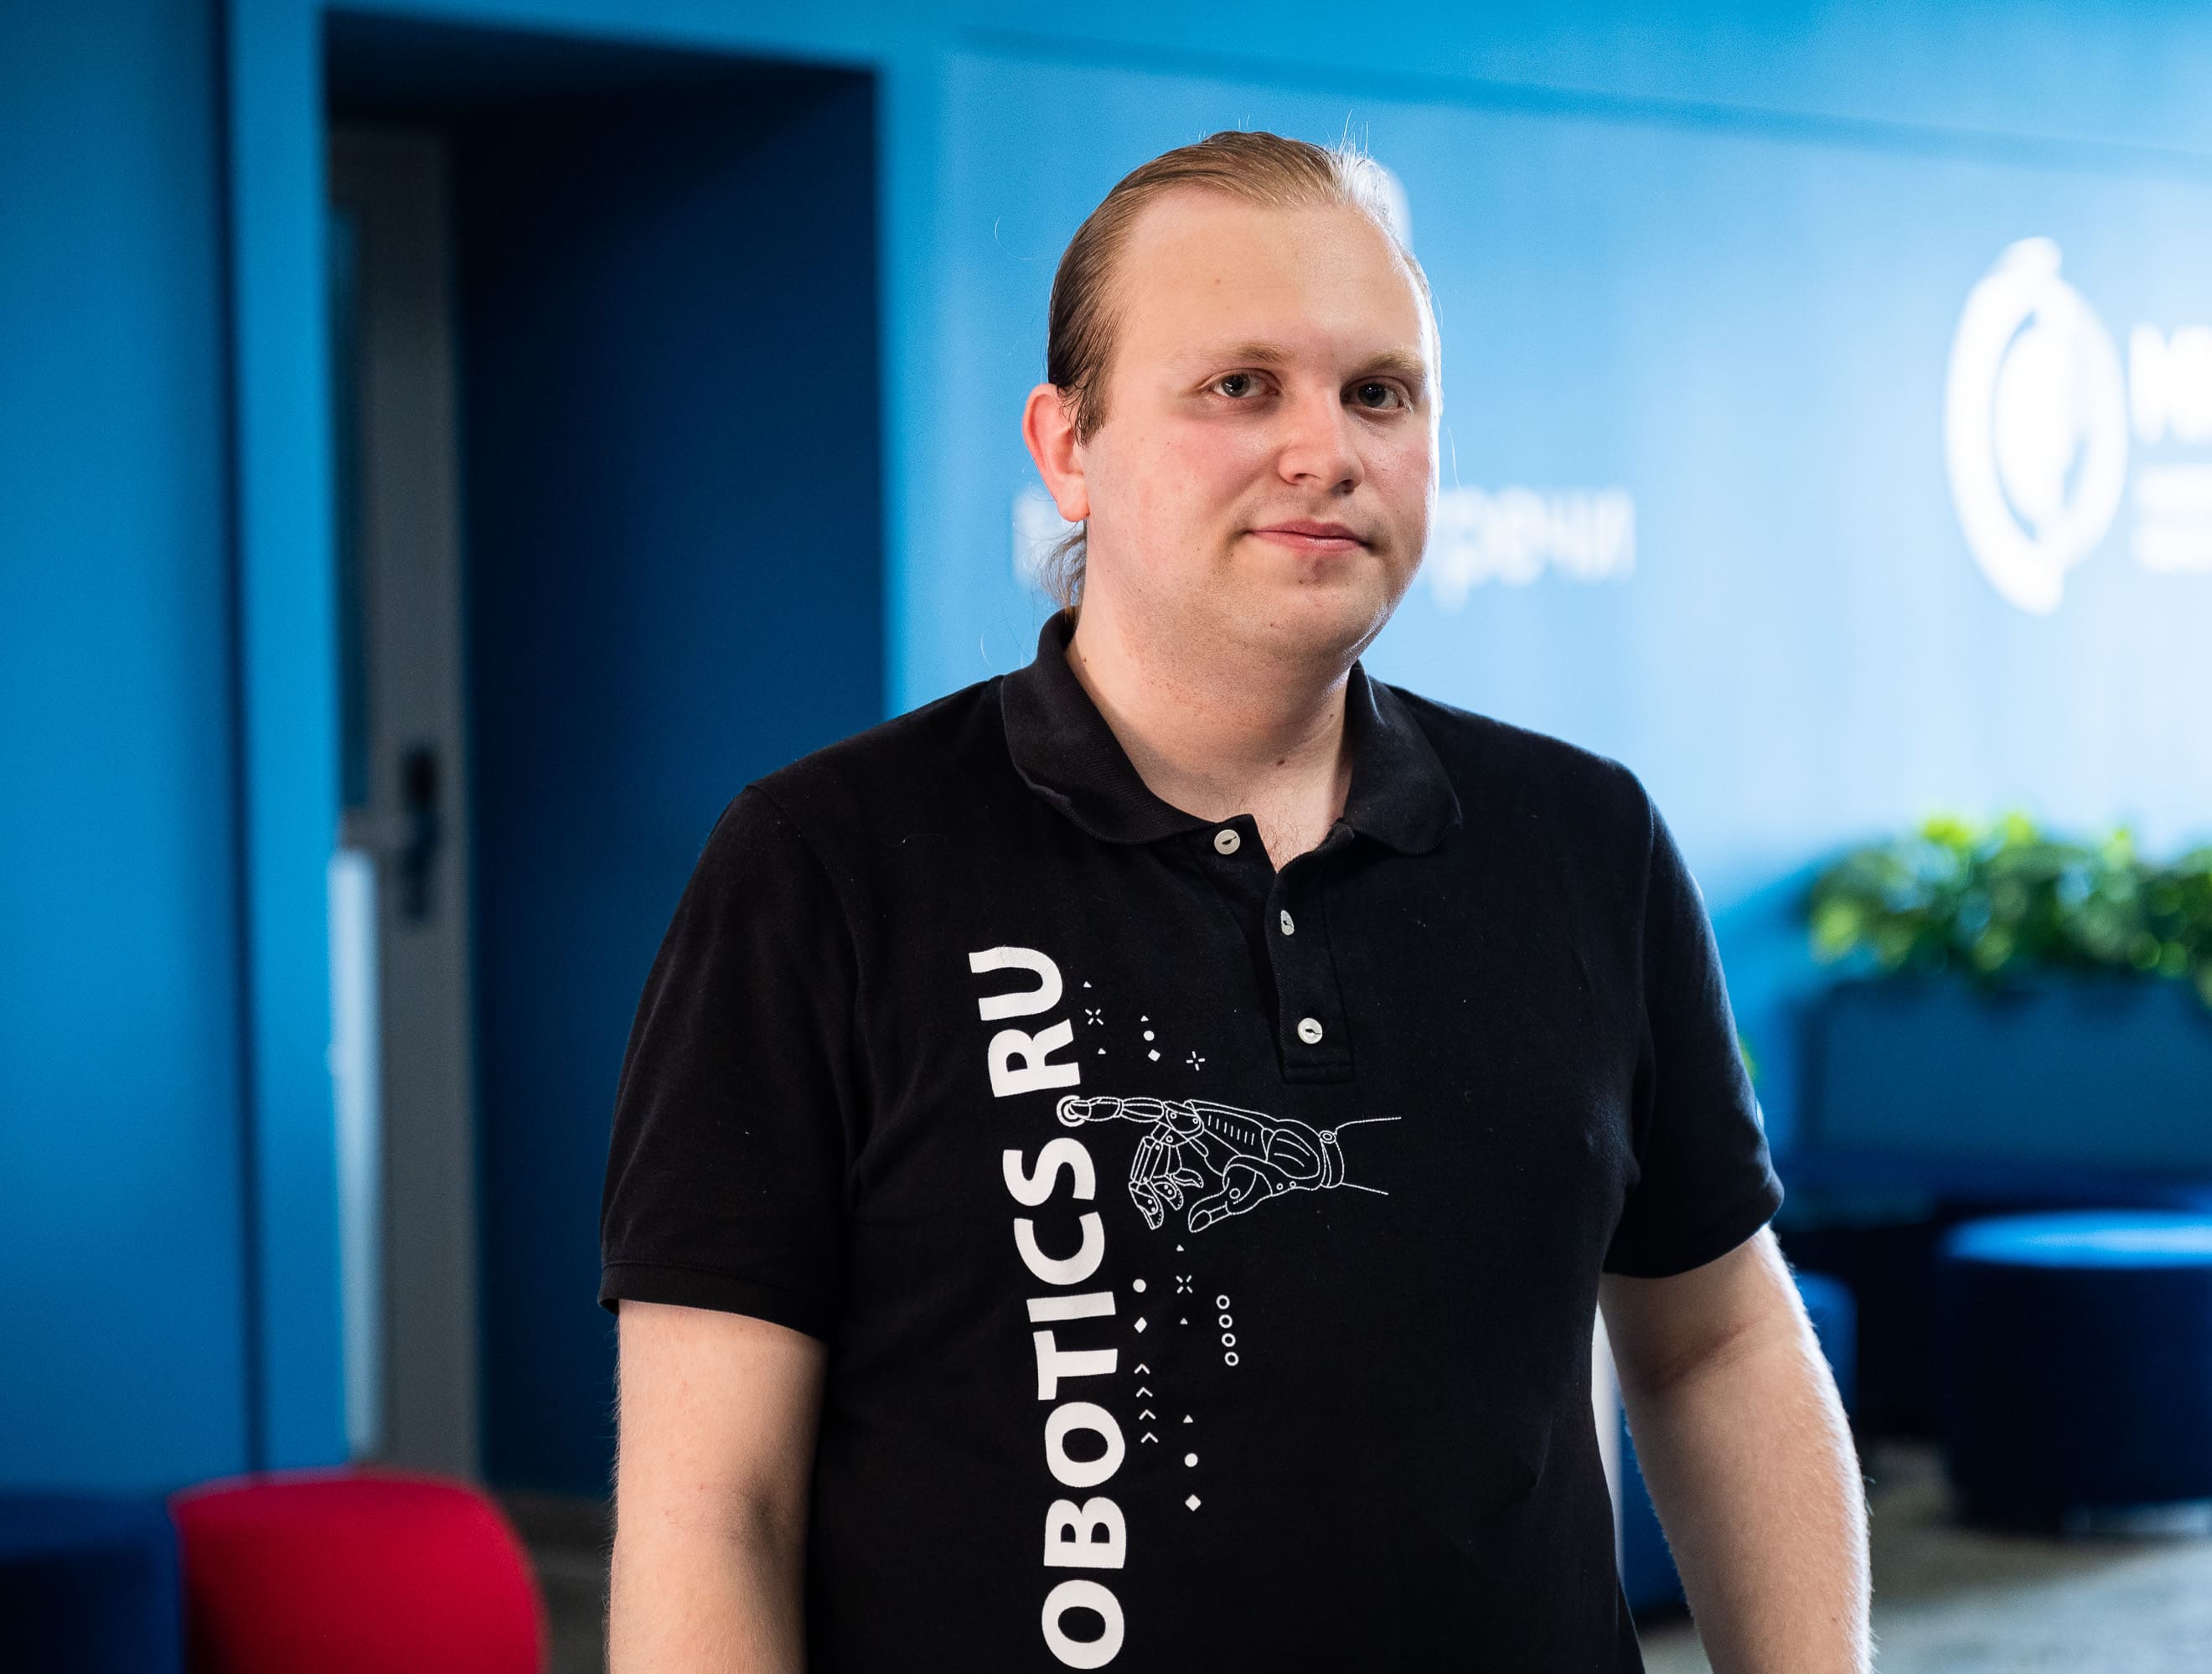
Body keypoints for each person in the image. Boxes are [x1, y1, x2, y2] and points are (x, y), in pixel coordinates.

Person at [599, 130, 1871, 1673]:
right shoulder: (824, 867)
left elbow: (1718, 1342)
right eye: (1240, 386)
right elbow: (713, 1512)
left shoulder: (1585, 841)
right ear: (1068, 446)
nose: (1325, 450)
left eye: (1379, 393)